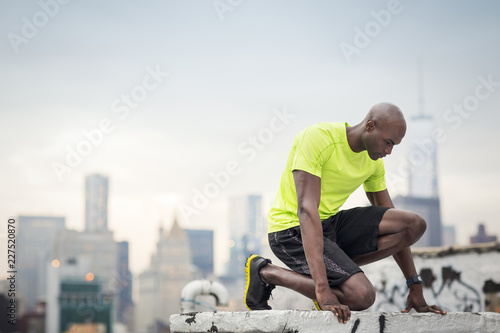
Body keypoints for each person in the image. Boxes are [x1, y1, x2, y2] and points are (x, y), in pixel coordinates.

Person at [243, 102, 447, 324]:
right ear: (370, 126)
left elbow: (390, 214)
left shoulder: (373, 161)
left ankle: (335, 271)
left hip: (330, 226)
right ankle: (266, 273)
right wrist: (322, 290)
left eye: (394, 146)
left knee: (413, 225)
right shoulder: (318, 138)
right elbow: (306, 210)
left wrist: (414, 284)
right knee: (362, 296)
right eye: (387, 143)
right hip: (291, 231)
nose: (389, 151)